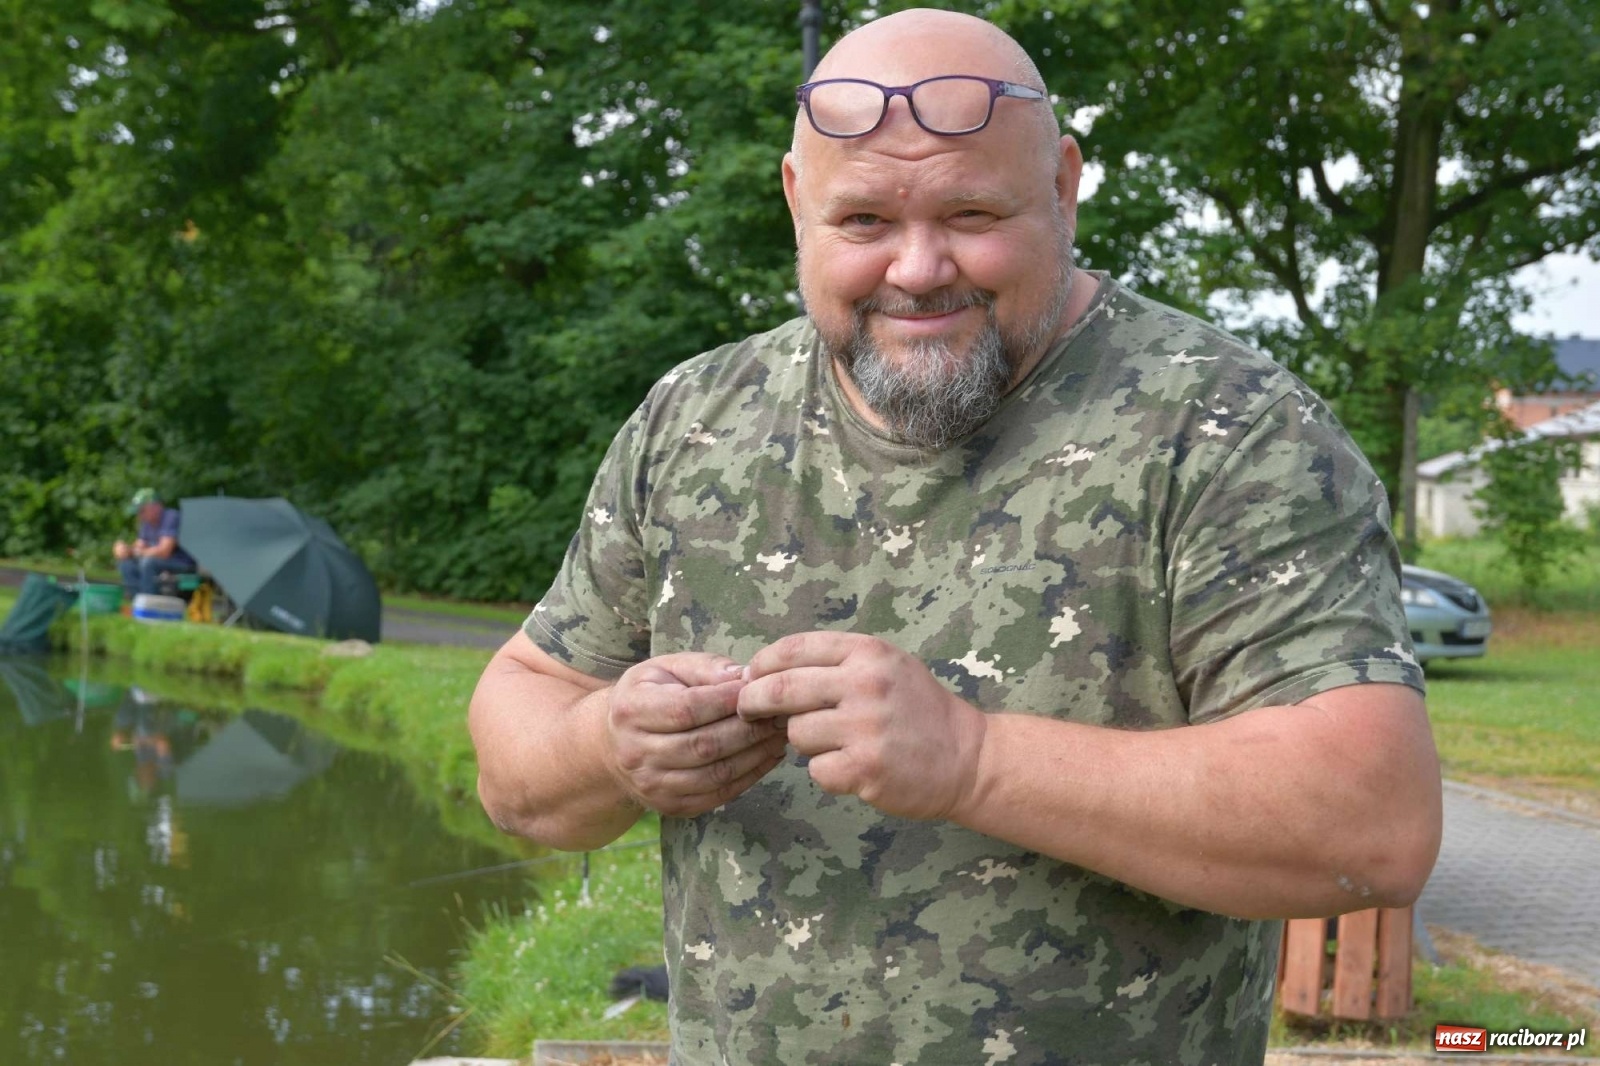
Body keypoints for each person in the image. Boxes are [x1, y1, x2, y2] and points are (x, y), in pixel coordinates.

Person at [470, 9, 1442, 1063]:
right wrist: (607, 742)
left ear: (1064, 188)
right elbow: (519, 750)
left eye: (972, 211)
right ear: (797, 202)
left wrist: (974, 761)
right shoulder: (696, 420)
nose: (919, 266)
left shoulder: (1226, 429)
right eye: (864, 222)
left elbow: (1369, 825)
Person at [115, 488, 196, 601]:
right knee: (126, 564)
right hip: (158, 561)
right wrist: (124, 550)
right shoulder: (146, 523)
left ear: (156, 507)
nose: (139, 515)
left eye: (142, 510)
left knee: (148, 562)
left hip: (181, 563)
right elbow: (139, 546)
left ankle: (150, 603)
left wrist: (136, 552)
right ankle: (138, 602)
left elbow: (164, 551)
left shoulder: (170, 517)